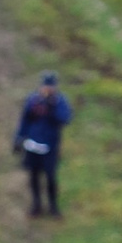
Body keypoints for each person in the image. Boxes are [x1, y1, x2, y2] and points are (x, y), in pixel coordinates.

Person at [16, 71, 73, 218]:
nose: (47, 89)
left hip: (50, 145)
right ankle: (36, 204)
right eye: (45, 86)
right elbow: (25, 119)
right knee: (33, 175)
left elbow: (65, 119)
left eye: (50, 86)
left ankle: (53, 206)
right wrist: (19, 138)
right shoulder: (33, 100)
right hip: (32, 143)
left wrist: (52, 108)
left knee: (50, 176)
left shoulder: (60, 101)